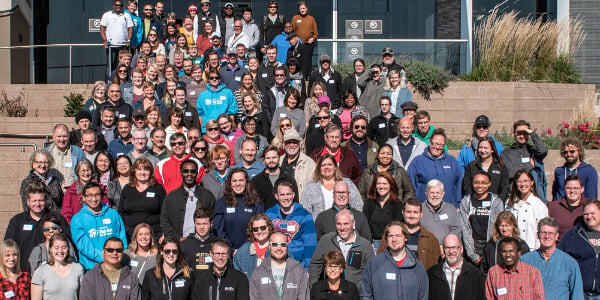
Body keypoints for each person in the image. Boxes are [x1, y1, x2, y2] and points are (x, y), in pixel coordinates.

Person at [5, 181, 71, 273]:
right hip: (24, 274)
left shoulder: (57, 219)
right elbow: (8, 248)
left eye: (41, 200)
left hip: (54, 274)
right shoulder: (17, 221)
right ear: (27, 201)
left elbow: (69, 245)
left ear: (46, 200)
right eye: (34, 201)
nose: (37, 204)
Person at [360, 221, 428, 300]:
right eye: (390, 236)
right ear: (386, 239)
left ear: (406, 238)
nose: (394, 239)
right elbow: (365, 295)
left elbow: (423, 297)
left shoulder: (418, 267)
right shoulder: (374, 264)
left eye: (398, 236)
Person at [521, 217, 583, 300]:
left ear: (557, 236)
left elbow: (577, 295)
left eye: (551, 233)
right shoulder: (525, 261)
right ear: (538, 235)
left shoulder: (570, 263)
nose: (547, 236)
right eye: (543, 233)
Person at [309, 209, 374, 288]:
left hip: (356, 293)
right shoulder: (326, 240)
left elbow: (371, 272)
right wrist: (313, 287)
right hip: (330, 292)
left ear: (353, 223)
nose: (342, 228)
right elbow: (315, 264)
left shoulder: (365, 245)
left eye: (346, 224)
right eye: (339, 224)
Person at [71, 182, 128, 270]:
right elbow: (84, 246)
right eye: (90, 195)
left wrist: (117, 257)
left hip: (114, 265)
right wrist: (104, 258)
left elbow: (122, 238)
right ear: (84, 198)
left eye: (97, 195)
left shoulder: (113, 214)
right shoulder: (78, 219)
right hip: (90, 268)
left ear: (101, 196)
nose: (94, 199)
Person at [376, 198, 441, 270]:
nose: (412, 216)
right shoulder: (390, 234)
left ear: (421, 214)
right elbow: (380, 258)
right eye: (408, 212)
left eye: (415, 212)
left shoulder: (430, 239)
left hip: (420, 279)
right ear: (403, 212)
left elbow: (436, 265)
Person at [266, 180, 317, 270]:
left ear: (293, 195)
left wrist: (306, 269)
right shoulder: (269, 214)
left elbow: (310, 245)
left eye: (288, 194)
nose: (286, 198)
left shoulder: (305, 215)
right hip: (274, 264)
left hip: (297, 265)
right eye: (282, 195)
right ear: (276, 196)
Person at [160, 159, 216, 240]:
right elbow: (165, 222)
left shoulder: (207, 196)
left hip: (201, 242)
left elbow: (213, 220)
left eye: (192, 171)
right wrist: (178, 238)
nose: (189, 174)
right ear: (181, 173)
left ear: (196, 173)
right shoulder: (171, 197)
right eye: (186, 171)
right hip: (177, 243)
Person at [408, 128, 462, 207]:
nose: (437, 147)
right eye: (435, 143)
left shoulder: (452, 162)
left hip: (449, 209)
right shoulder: (417, 162)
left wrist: (458, 203)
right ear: (430, 142)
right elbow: (410, 187)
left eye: (441, 145)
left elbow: (459, 185)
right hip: (424, 209)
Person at [459, 171, 504, 266]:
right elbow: (465, 228)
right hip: (471, 247)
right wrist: (472, 254)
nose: (479, 186)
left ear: (489, 184)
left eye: (483, 183)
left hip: (490, 245)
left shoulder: (496, 203)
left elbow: (499, 227)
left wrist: (489, 250)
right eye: (476, 182)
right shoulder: (466, 202)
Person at [213, 168, 264, 249]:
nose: (237, 184)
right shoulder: (222, 203)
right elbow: (218, 229)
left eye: (241, 180)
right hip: (226, 251)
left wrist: (245, 249)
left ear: (246, 182)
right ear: (230, 183)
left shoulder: (256, 203)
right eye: (234, 181)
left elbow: (259, 229)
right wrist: (230, 249)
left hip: (250, 249)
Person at [249, 231, 309, 300]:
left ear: (287, 247)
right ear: (269, 247)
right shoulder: (258, 273)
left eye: (283, 244)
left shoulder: (299, 271)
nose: (279, 248)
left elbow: (304, 297)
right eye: (275, 244)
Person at [301, 154, 363, 219]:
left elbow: (358, 205)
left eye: (330, 165)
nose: (326, 167)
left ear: (335, 167)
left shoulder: (347, 183)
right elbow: (305, 211)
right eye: (323, 165)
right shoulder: (311, 187)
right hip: (319, 226)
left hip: (345, 226)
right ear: (319, 168)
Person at [558, 200, 600, 297]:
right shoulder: (572, 235)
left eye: (593, 213)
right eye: (586, 214)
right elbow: (560, 260)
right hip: (579, 293)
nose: (589, 217)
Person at [119, 158, 166, 240]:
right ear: (134, 172)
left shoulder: (158, 188)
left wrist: (164, 233)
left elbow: (165, 212)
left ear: (150, 172)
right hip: (131, 234)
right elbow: (121, 211)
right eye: (139, 169)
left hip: (154, 233)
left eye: (146, 170)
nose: (143, 173)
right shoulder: (127, 188)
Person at [500, 119, 548, 201]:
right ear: (514, 134)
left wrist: (533, 134)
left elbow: (543, 151)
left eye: (525, 133)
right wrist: (529, 166)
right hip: (514, 195)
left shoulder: (533, 151)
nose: (522, 136)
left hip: (533, 195)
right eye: (519, 133)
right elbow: (510, 172)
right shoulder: (506, 153)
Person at [427, 234, 485, 300]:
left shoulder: (474, 274)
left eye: (454, 247)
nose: (451, 251)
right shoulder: (432, 274)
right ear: (443, 250)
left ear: (461, 249)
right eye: (447, 248)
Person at [31, 233, 83, 300]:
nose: (60, 251)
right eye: (56, 248)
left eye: (64, 247)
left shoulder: (78, 269)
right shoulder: (40, 272)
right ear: (50, 249)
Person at [506, 170, 548, 250]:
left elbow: (542, 231)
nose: (522, 184)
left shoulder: (539, 206)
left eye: (526, 181)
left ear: (532, 182)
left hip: (532, 250)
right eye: (519, 181)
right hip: (513, 249)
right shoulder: (509, 204)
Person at [251, 145, 298, 210]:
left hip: (286, 219)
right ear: (264, 159)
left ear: (279, 158)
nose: (271, 160)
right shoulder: (256, 181)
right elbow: (253, 204)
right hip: (264, 218)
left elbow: (295, 203)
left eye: (274, 157)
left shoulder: (289, 179)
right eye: (268, 158)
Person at [62, 158, 110, 223]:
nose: (86, 173)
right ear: (78, 172)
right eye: (83, 171)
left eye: (88, 170)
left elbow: (106, 208)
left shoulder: (100, 189)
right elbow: (66, 214)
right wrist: (74, 227)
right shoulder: (70, 192)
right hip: (78, 226)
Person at [462, 136, 510, 201]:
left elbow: (505, 187)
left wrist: (498, 203)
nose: (483, 150)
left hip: (495, 205)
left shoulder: (500, 166)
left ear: (492, 150)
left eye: (486, 148)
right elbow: (467, 186)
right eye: (480, 147)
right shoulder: (472, 166)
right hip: (475, 204)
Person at [45, 124, 86, 189]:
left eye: (64, 136)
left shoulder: (78, 152)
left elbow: (84, 172)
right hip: (51, 195)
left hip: (72, 193)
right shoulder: (46, 153)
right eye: (59, 136)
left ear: (69, 136)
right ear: (53, 137)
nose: (61, 139)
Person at [419, 180, 461, 244]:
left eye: (438, 193)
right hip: (425, 248)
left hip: (446, 249)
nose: (435, 195)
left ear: (443, 194)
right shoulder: (419, 210)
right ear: (426, 193)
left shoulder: (451, 209)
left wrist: (446, 244)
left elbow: (457, 229)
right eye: (432, 193)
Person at [100, 0, 133, 73]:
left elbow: (130, 28)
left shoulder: (126, 15)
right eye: (117, 5)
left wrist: (128, 40)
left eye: (120, 6)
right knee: (111, 64)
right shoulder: (107, 15)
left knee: (124, 64)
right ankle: (109, 81)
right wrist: (105, 40)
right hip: (111, 45)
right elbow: (102, 28)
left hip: (123, 45)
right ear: (113, 6)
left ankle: (123, 80)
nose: (118, 7)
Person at [291, 1, 317, 78]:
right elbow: (292, 31)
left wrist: (313, 38)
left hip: (309, 44)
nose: (302, 10)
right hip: (299, 44)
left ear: (307, 9)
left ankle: (307, 77)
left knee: (308, 61)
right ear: (299, 10)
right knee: (299, 60)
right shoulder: (295, 18)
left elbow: (315, 32)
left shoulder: (311, 18)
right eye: (301, 9)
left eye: (304, 8)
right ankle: (299, 75)